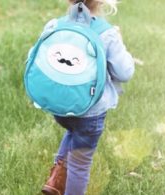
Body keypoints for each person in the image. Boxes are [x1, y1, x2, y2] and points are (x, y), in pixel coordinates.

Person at [41, 0, 135, 194]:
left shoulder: (54, 25)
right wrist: (120, 41)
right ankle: (63, 182)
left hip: (60, 106)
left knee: (73, 130)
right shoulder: (107, 33)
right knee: (80, 164)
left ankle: (55, 180)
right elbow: (124, 73)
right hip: (91, 111)